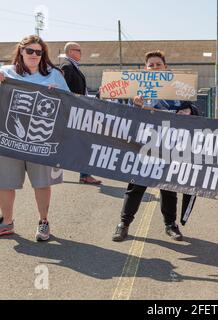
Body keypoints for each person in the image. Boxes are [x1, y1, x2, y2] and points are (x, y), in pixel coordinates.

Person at [0, 35, 71, 242]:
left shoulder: (54, 75)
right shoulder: (7, 73)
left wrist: (58, 96)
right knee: (3, 182)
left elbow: (69, 105)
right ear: (21, 51)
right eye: (30, 51)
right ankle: (6, 222)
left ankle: (43, 221)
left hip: (40, 141)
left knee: (42, 182)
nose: (34, 55)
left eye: (39, 52)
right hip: (7, 139)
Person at [112, 50, 183, 242]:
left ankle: (170, 225)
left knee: (168, 187)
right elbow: (126, 118)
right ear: (145, 69)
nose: (154, 68)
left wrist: (190, 109)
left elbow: (191, 109)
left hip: (169, 144)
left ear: (165, 67)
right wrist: (135, 106)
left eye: (158, 64)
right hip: (143, 145)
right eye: (150, 65)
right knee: (136, 185)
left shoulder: (177, 88)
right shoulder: (138, 90)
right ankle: (124, 224)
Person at [61, 42, 102, 185]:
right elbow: (63, 90)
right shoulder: (67, 66)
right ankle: (85, 175)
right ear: (70, 51)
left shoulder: (74, 67)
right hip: (73, 112)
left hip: (79, 111)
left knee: (78, 143)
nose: (81, 53)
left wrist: (96, 96)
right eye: (78, 50)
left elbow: (81, 91)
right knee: (84, 143)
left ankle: (84, 175)